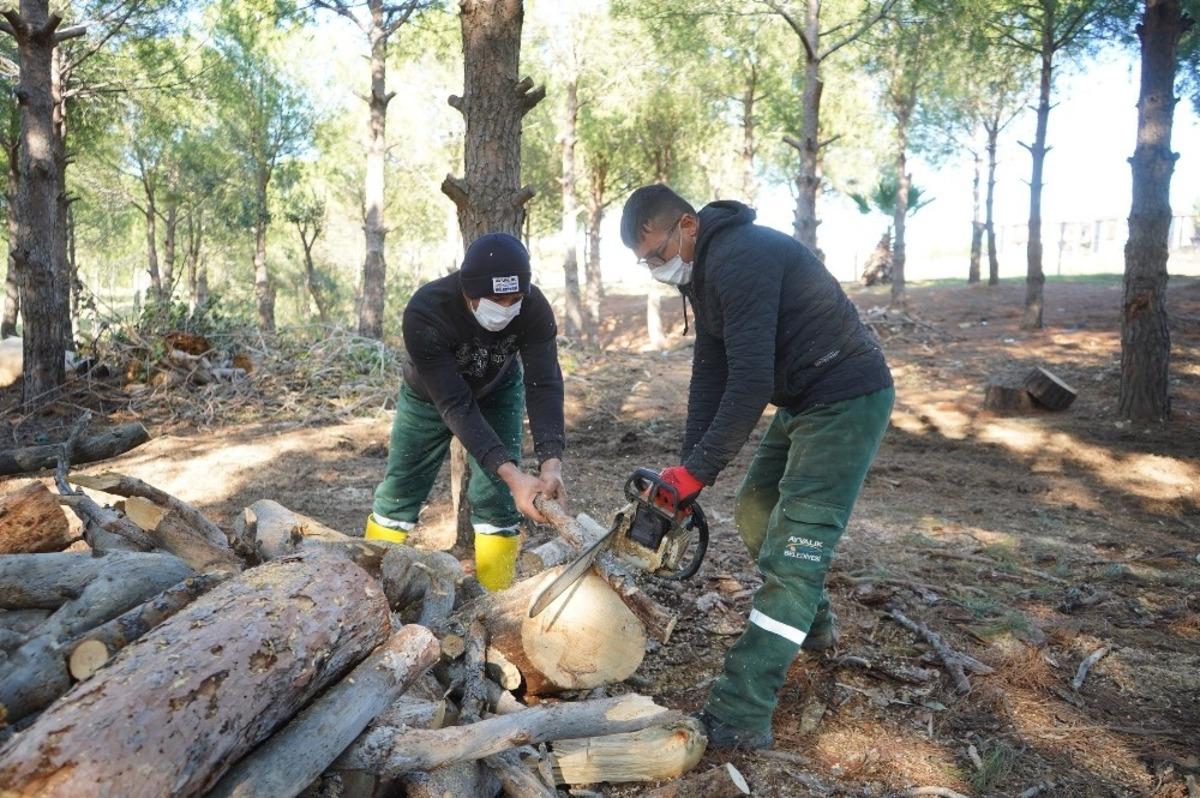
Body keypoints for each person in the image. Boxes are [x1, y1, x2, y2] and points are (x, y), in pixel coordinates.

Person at [620, 185, 894, 749]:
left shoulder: (742, 257)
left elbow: (749, 383)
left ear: (688, 226)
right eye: (646, 260)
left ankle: (741, 712)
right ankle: (813, 627)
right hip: (804, 400)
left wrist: (697, 473)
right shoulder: (707, 272)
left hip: (844, 398)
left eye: (656, 252)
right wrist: (687, 470)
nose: (655, 267)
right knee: (754, 511)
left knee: (796, 551)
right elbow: (711, 372)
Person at [365, 232, 566, 591]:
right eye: (495, 299)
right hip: (429, 397)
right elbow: (455, 405)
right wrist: (513, 474)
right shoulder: (426, 311)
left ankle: (495, 599)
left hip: (498, 392)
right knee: (400, 489)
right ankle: (368, 588)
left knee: (498, 498)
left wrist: (551, 462)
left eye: (514, 299)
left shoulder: (534, 310)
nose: (506, 308)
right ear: (468, 292)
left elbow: (545, 384)